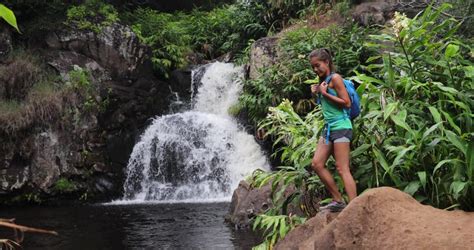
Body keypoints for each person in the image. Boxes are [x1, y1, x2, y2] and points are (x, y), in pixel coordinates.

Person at [309, 48, 357, 212]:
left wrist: (325, 93)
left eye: (318, 65)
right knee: (317, 164)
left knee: (342, 168)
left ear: (327, 62)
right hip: (329, 128)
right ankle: (338, 199)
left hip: (342, 126)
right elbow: (327, 106)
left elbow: (346, 103)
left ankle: (354, 207)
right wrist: (317, 93)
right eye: (313, 67)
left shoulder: (335, 78)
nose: (316, 69)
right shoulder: (324, 81)